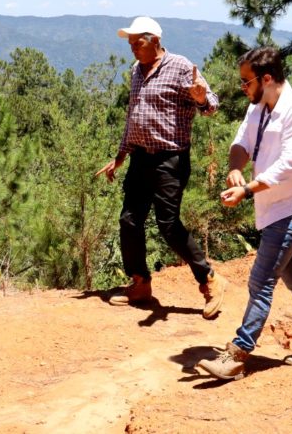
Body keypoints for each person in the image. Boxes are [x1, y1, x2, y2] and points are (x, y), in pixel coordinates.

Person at [196, 47, 292, 380]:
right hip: (272, 207)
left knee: (260, 280)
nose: (243, 88)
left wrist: (246, 189)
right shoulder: (258, 108)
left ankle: (237, 353)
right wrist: (234, 169)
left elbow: (288, 167)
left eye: (247, 82)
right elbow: (242, 143)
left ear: (267, 78)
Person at [95, 16, 228, 319]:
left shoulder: (181, 66)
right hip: (140, 157)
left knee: (168, 225)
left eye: (137, 43)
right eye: (130, 44)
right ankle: (140, 284)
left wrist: (202, 98)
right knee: (129, 220)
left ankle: (210, 280)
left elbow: (212, 105)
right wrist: (120, 156)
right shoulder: (136, 72)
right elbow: (133, 117)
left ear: (154, 40)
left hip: (170, 159)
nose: (133, 49)